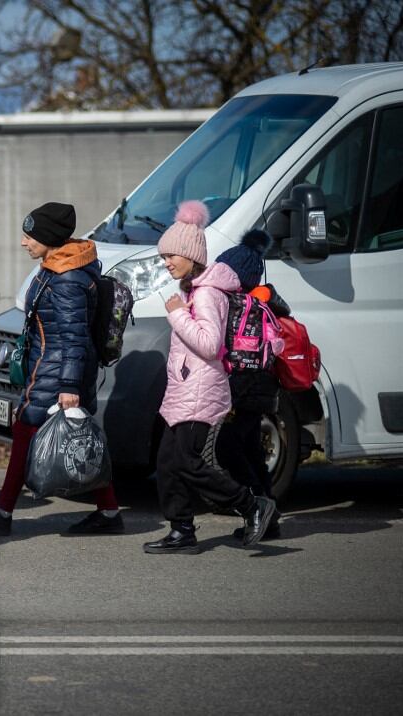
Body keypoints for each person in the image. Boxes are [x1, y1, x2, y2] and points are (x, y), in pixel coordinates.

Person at [143, 201, 277, 555]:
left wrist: (176, 316)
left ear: (191, 256)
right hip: (184, 389)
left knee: (187, 462)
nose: (166, 262)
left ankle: (252, 505)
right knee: (168, 462)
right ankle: (181, 530)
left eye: (172, 255)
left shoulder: (207, 294)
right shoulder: (193, 289)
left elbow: (209, 344)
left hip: (201, 390)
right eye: (164, 256)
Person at [0, 202, 123, 537]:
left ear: (49, 238)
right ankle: (108, 512)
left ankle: (2, 512)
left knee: (27, 431)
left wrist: (68, 386)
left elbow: (73, 337)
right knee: (78, 439)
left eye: (30, 236)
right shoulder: (58, 267)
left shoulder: (67, 279)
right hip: (51, 368)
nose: (24, 242)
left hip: (56, 372)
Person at [214, 229, 283, 541]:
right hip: (263, 386)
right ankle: (271, 520)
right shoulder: (263, 302)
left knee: (227, 447)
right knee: (252, 450)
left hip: (244, 388)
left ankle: (258, 507)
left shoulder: (238, 306)